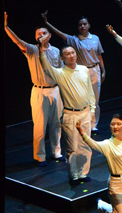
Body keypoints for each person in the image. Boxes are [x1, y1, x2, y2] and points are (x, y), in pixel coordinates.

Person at [5, 12, 62, 164]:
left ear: (49, 35)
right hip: (39, 91)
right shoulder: (32, 50)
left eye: (44, 33)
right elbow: (17, 41)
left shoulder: (56, 51)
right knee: (40, 125)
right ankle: (40, 156)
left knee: (56, 123)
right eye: (38, 34)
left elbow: (61, 73)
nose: (41, 35)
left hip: (55, 90)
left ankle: (56, 152)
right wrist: (6, 27)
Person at [37, 37, 94, 182]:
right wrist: (41, 49)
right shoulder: (60, 73)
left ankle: (83, 173)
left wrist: (92, 110)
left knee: (86, 145)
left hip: (85, 112)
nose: (72, 55)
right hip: (71, 114)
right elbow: (46, 66)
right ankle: (74, 175)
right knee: (73, 147)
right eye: (68, 54)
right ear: (62, 58)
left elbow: (89, 91)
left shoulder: (83, 70)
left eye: (73, 52)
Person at [40, 11, 104, 132]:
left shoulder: (95, 38)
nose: (83, 26)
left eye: (85, 24)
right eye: (80, 25)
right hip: (81, 71)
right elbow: (59, 34)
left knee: (95, 99)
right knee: (81, 98)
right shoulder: (74, 40)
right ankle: (82, 123)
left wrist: (103, 70)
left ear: (89, 25)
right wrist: (47, 23)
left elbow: (99, 55)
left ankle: (93, 124)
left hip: (95, 70)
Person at [78, 113, 122, 213]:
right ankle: (101, 205)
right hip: (118, 183)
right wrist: (82, 133)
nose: (115, 127)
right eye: (113, 124)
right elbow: (93, 144)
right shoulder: (108, 144)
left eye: (119, 124)